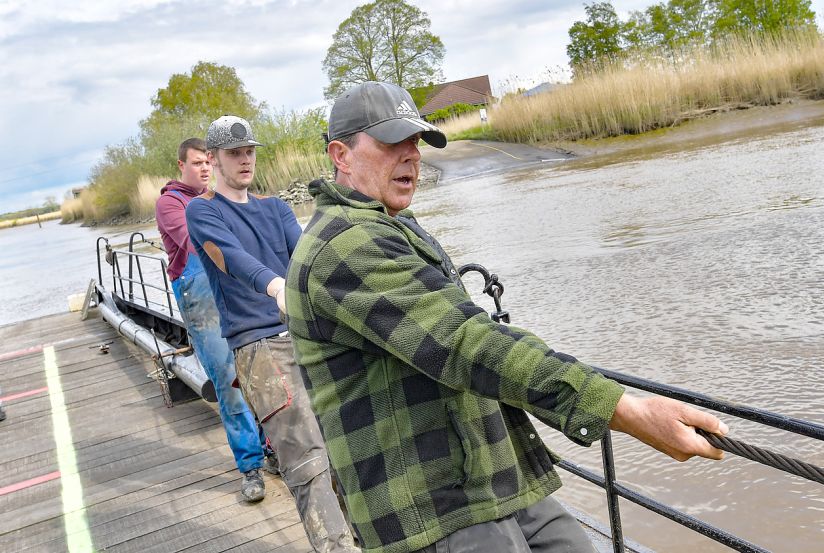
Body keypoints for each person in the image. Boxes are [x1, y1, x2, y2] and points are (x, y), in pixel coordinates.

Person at [286, 81, 730, 553]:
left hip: (494, 475)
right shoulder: (344, 246)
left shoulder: (390, 224)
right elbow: (465, 341)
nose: (412, 155)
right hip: (432, 505)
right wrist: (625, 409)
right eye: (392, 142)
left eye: (415, 141)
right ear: (341, 155)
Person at [185, 116, 358, 553]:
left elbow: (307, 258)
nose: (245, 160)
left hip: (307, 336)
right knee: (306, 458)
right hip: (259, 347)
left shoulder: (276, 208)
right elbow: (231, 258)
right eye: (233, 153)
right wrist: (276, 285)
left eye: (249, 152)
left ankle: (368, 538)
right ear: (213, 159)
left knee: (344, 447)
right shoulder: (202, 211)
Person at [155, 137, 274, 503]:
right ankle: (250, 466)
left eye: (208, 163)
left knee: (265, 375)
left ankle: (275, 448)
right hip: (202, 302)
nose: (204, 169)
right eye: (196, 163)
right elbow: (199, 242)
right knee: (229, 383)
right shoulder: (170, 203)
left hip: (237, 295)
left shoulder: (221, 200)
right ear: (181, 166)